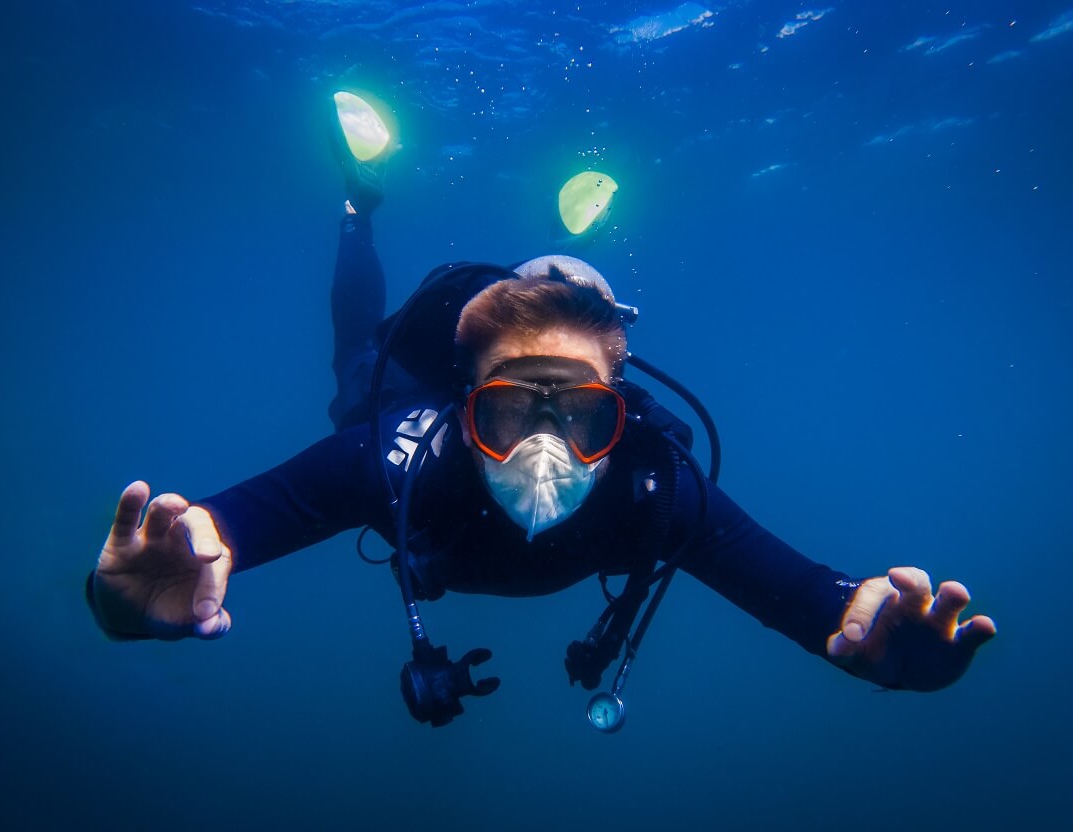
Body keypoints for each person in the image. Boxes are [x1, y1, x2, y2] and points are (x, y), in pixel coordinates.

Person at [88, 92, 996, 729]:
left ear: (623, 409)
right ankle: (359, 206)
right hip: (400, 396)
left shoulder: (654, 485)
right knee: (355, 358)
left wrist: (875, 639)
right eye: (514, 409)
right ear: (463, 398)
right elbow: (215, 534)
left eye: (583, 415)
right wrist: (125, 602)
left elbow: (807, 597)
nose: (547, 451)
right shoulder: (399, 455)